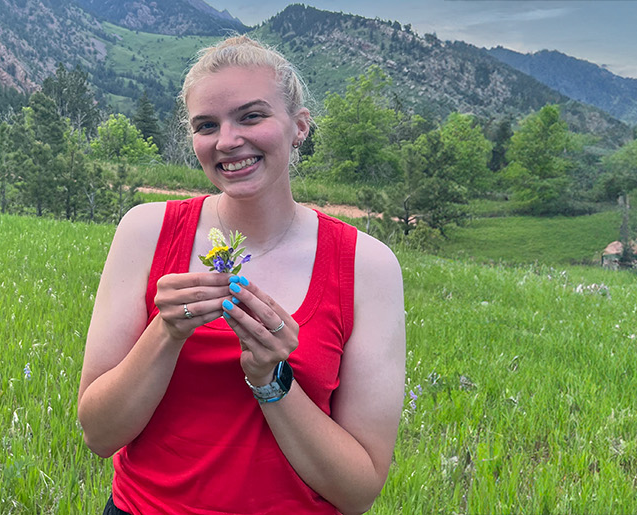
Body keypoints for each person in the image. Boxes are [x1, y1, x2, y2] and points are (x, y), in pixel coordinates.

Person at [77, 35, 407, 515]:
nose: (227, 141)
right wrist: (165, 333)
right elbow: (100, 435)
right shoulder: (145, 232)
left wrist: (271, 380)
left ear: (299, 127)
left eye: (251, 116)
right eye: (206, 125)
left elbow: (358, 491)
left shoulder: (366, 266)